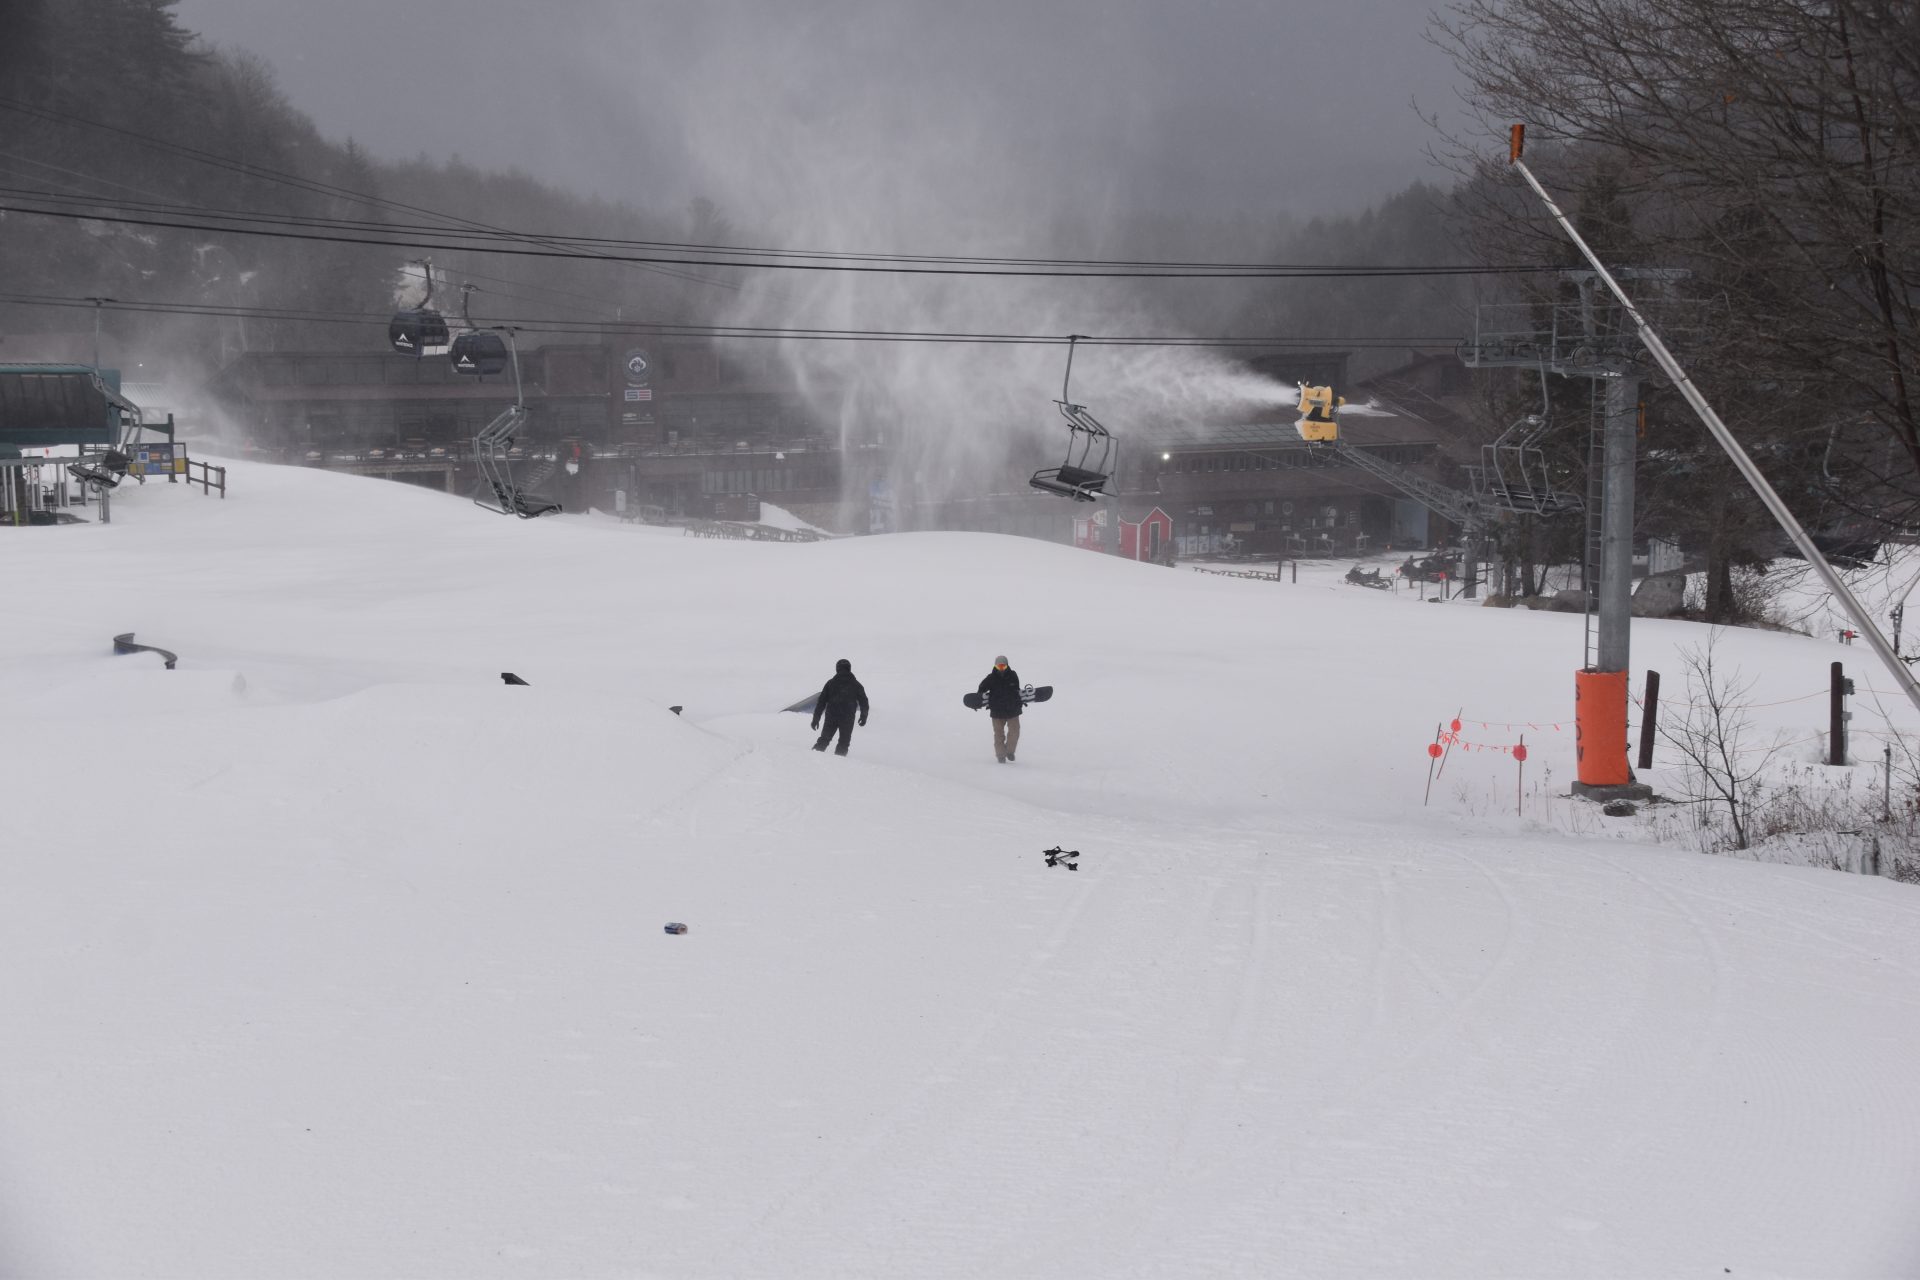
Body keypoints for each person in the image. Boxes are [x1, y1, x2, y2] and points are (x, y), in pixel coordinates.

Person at [810, 658, 869, 756]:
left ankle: (810, 760)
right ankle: (839, 766)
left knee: (824, 740)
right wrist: (863, 716)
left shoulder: (830, 683)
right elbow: (864, 702)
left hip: (831, 717)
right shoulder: (856, 684)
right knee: (843, 743)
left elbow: (821, 702)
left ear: (837, 669)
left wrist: (816, 719)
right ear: (849, 669)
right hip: (847, 718)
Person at [977, 654, 1023, 763]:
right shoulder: (991, 678)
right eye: (999, 667)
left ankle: (1010, 751)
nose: (1001, 669)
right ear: (995, 666)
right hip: (997, 711)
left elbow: (1017, 689)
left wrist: (1019, 701)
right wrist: (977, 700)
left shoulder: (1013, 675)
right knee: (999, 734)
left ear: (1007, 665)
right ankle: (1001, 755)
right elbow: (981, 689)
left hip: (1012, 709)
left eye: (1003, 666)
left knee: (1015, 732)